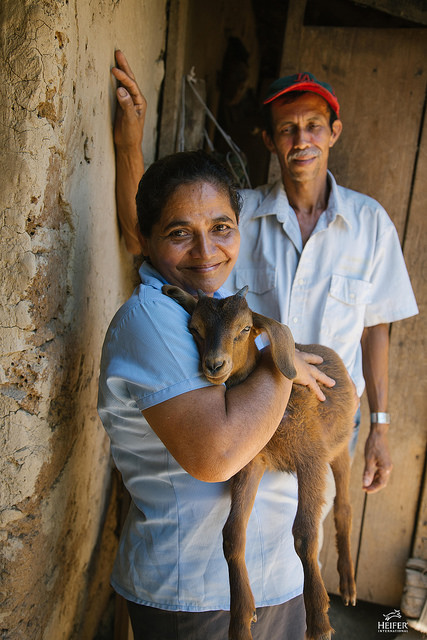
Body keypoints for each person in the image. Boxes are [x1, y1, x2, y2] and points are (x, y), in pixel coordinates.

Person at [111, 51, 418, 496]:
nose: (302, 139)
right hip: (247, 419)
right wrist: (129, 147)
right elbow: (146, 236)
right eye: (287, 129)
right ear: (269, 141)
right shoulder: (238, 218)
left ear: (334, 132)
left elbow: (376, 329)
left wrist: (380, 427)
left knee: (302, 547)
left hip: (326, 423)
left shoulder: (370, 224)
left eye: (313, 125)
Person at [98, 150, 337, 639]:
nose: (206, 252)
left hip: (274, 580)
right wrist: (280, 357)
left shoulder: (211, 311)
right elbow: (218, 455)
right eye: (179, 233)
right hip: (196, 595)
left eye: (222, 228)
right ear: (144, 239)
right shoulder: (154, 320)